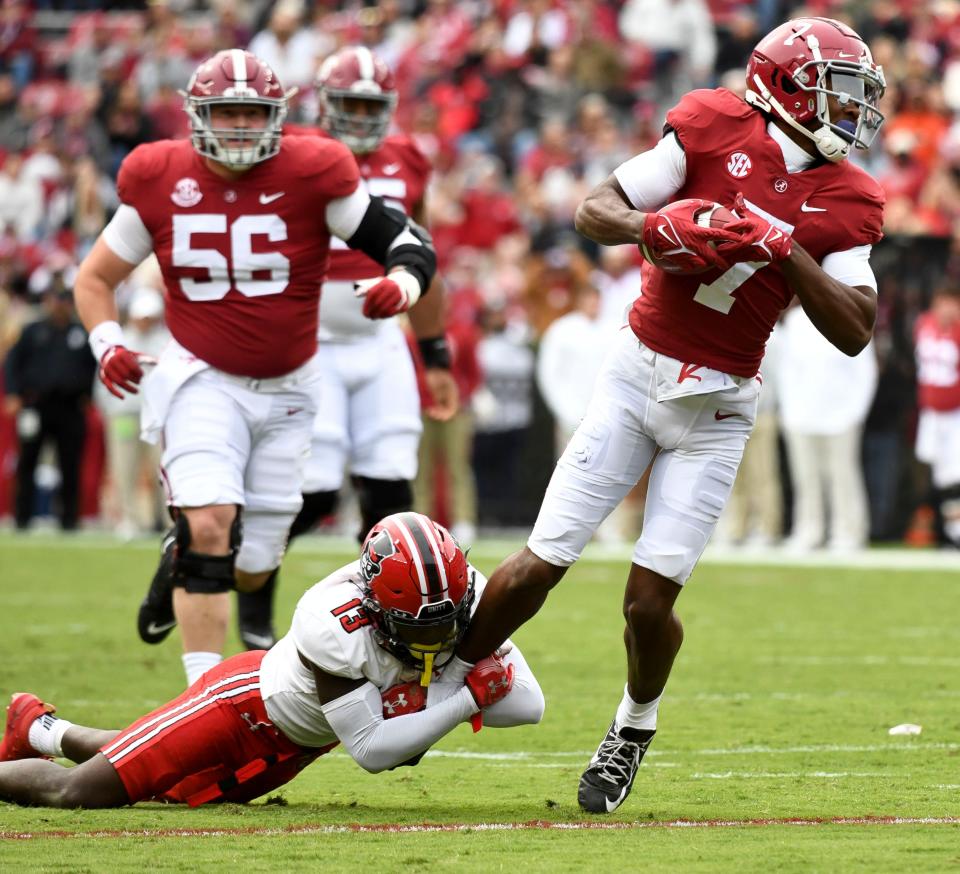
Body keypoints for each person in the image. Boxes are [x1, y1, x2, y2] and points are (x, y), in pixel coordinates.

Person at [451, 17, 886, 813]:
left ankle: (631, 727)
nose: (853, 114)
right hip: (635, 376)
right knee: (537, 566)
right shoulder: (713, 125)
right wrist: (659, 226)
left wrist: (780, 247)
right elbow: (595, 208)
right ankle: (438, 680)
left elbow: (855, 329)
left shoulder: (850, 197)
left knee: (648, 604)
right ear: (786, 88)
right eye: (839, 93)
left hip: (719, 405)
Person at [72, 49, 438, 688]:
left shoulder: (315, 167)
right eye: (226, 112)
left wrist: (404, 285)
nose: (240, 126)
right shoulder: (158, 174)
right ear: (196, 115)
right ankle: (200, 701)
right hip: (201, 375)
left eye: (252, 113)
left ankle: (189, 559)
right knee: (211, 525)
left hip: (292, 386)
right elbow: (96, 277)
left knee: (255, 558)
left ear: (277, 116)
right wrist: (107, 343)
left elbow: (404, 241)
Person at [0, 513, 544, 808]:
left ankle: (41, 728)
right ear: (375, 604)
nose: (437, 638)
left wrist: (432, 691)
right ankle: (32, 742)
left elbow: (529, 704)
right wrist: (465, 693)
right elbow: (373, 751)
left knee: (161, 781)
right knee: (85, 791)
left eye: (446, 624)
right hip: (238, 708)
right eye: (416, 626)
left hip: (294, 747)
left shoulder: (463, 592)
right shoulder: (332, 621)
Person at [235, 45, 459, 651]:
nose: (360, 117)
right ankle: (248, 582)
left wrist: (434, 353)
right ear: (324, 104)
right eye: (349, 103)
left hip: (380, 336)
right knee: (311, 492)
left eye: (370, 105)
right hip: (308, 341)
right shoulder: (297, 153)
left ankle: (383, 618)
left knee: (391, 490)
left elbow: (424, 257)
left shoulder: (410, 158)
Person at [777, 304, 877, 551]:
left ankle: (848, 532)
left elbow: (866, 371)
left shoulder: (851, 316)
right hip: (801, 415)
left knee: (843, 476)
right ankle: (808, 531)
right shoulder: (795, 322)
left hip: (841, 416)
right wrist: (788, 410)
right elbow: (786, 370)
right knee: (806, 478)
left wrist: (856, 412)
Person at [3, 273, 97, 531]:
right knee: (28, 462)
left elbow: (93, 368)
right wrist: (12, 393)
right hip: (36, 404)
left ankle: (69, 520)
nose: (60, 305)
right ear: (47, 301)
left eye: (65, 300)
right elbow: (13, 363)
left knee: (70, 464)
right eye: (56, 299)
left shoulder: (81, 332)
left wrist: (90, 394)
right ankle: (22, 518)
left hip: (70, 406)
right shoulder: (32, 331)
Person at [914, 282, 960, 549]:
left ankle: (954, 533)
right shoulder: (925, 324)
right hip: (932, 413)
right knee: (941, 474)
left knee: (954, 475)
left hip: (955, 413)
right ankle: (948, 531)